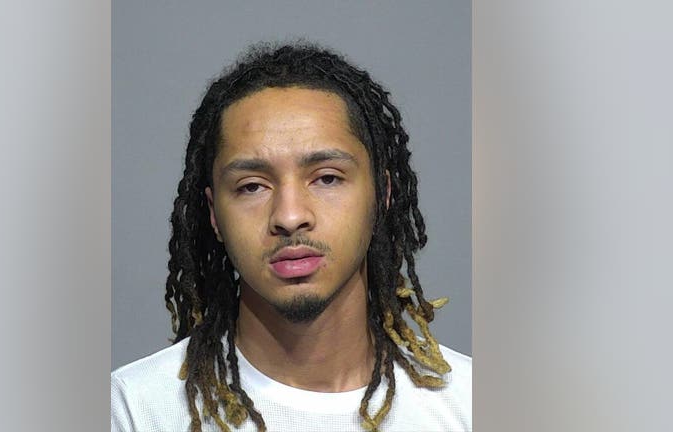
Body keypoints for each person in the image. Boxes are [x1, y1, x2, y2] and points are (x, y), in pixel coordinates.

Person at [111, 42, 471, 432]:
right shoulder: (134, 410)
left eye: (327, 178)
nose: (289, 216)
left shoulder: (475, 404)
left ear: (381, 196)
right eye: (252, 186)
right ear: (214, 214)